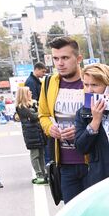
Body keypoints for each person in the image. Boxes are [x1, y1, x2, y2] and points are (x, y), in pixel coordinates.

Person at [38, 36, 91, 203]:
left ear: (79, 59)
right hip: (65, 164)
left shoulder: (91, 82)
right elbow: (43, 114)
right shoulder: (48, 83)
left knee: (97, 215)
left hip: (93, 162)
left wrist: (82, 131)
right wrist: (49, 128)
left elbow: (104, 115)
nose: (60, 63)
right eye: (56, 58)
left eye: (65, 58)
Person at [13, 86, 47, 184]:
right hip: (31, 134)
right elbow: (33, 117)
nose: (31, 93)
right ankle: (39, 174)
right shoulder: (21, 107)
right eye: (29, 92)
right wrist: (40, 113)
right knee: (35, 155)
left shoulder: (32, 104)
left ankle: (44, 173)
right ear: (24, 94)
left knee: (41, 154)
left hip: (37, 131)